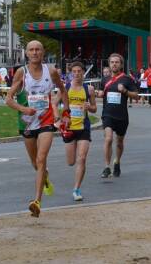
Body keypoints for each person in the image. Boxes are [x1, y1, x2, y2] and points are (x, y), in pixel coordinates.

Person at [6, 40, 70, 217]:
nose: (34, 52)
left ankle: (37, 201)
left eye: (38, 50)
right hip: (27, 123)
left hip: (46, 122)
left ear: (43, 53)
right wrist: (23, 109)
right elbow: (9, 99)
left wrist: (66, 112)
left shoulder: (51, 71)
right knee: (35, 163)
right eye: (31, 50)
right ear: (26, 53)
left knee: (41, 159)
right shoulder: (22, 72)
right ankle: (45, 177)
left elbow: (62, 90)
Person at [95, 53, 139, 179]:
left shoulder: (126, 79)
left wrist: (125, 91)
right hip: (107, 114)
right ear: (109, 64)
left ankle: (117, 162)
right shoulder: (105, 80)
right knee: (108, 139)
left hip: (122, 116)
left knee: (119, 142)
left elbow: (136, 96)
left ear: (121, 64)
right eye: (112, 62)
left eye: (117, 62)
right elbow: (102, 93)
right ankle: (107, 167)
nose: (114, 64)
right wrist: (99, 93)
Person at [62, 61, 97, 201]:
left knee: (81, 159)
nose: (76, 74)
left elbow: (95, 108)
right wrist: (60, 118)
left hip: (84, 127)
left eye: (79, 71)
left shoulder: (89, 89)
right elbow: (54, 102)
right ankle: (76, 186)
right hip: (70, 127)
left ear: (83, 72)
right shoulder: (66, 88)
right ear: (71, 73)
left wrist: (90, 107)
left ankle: (76, 189)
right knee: (71, 162)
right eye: (74, 71)